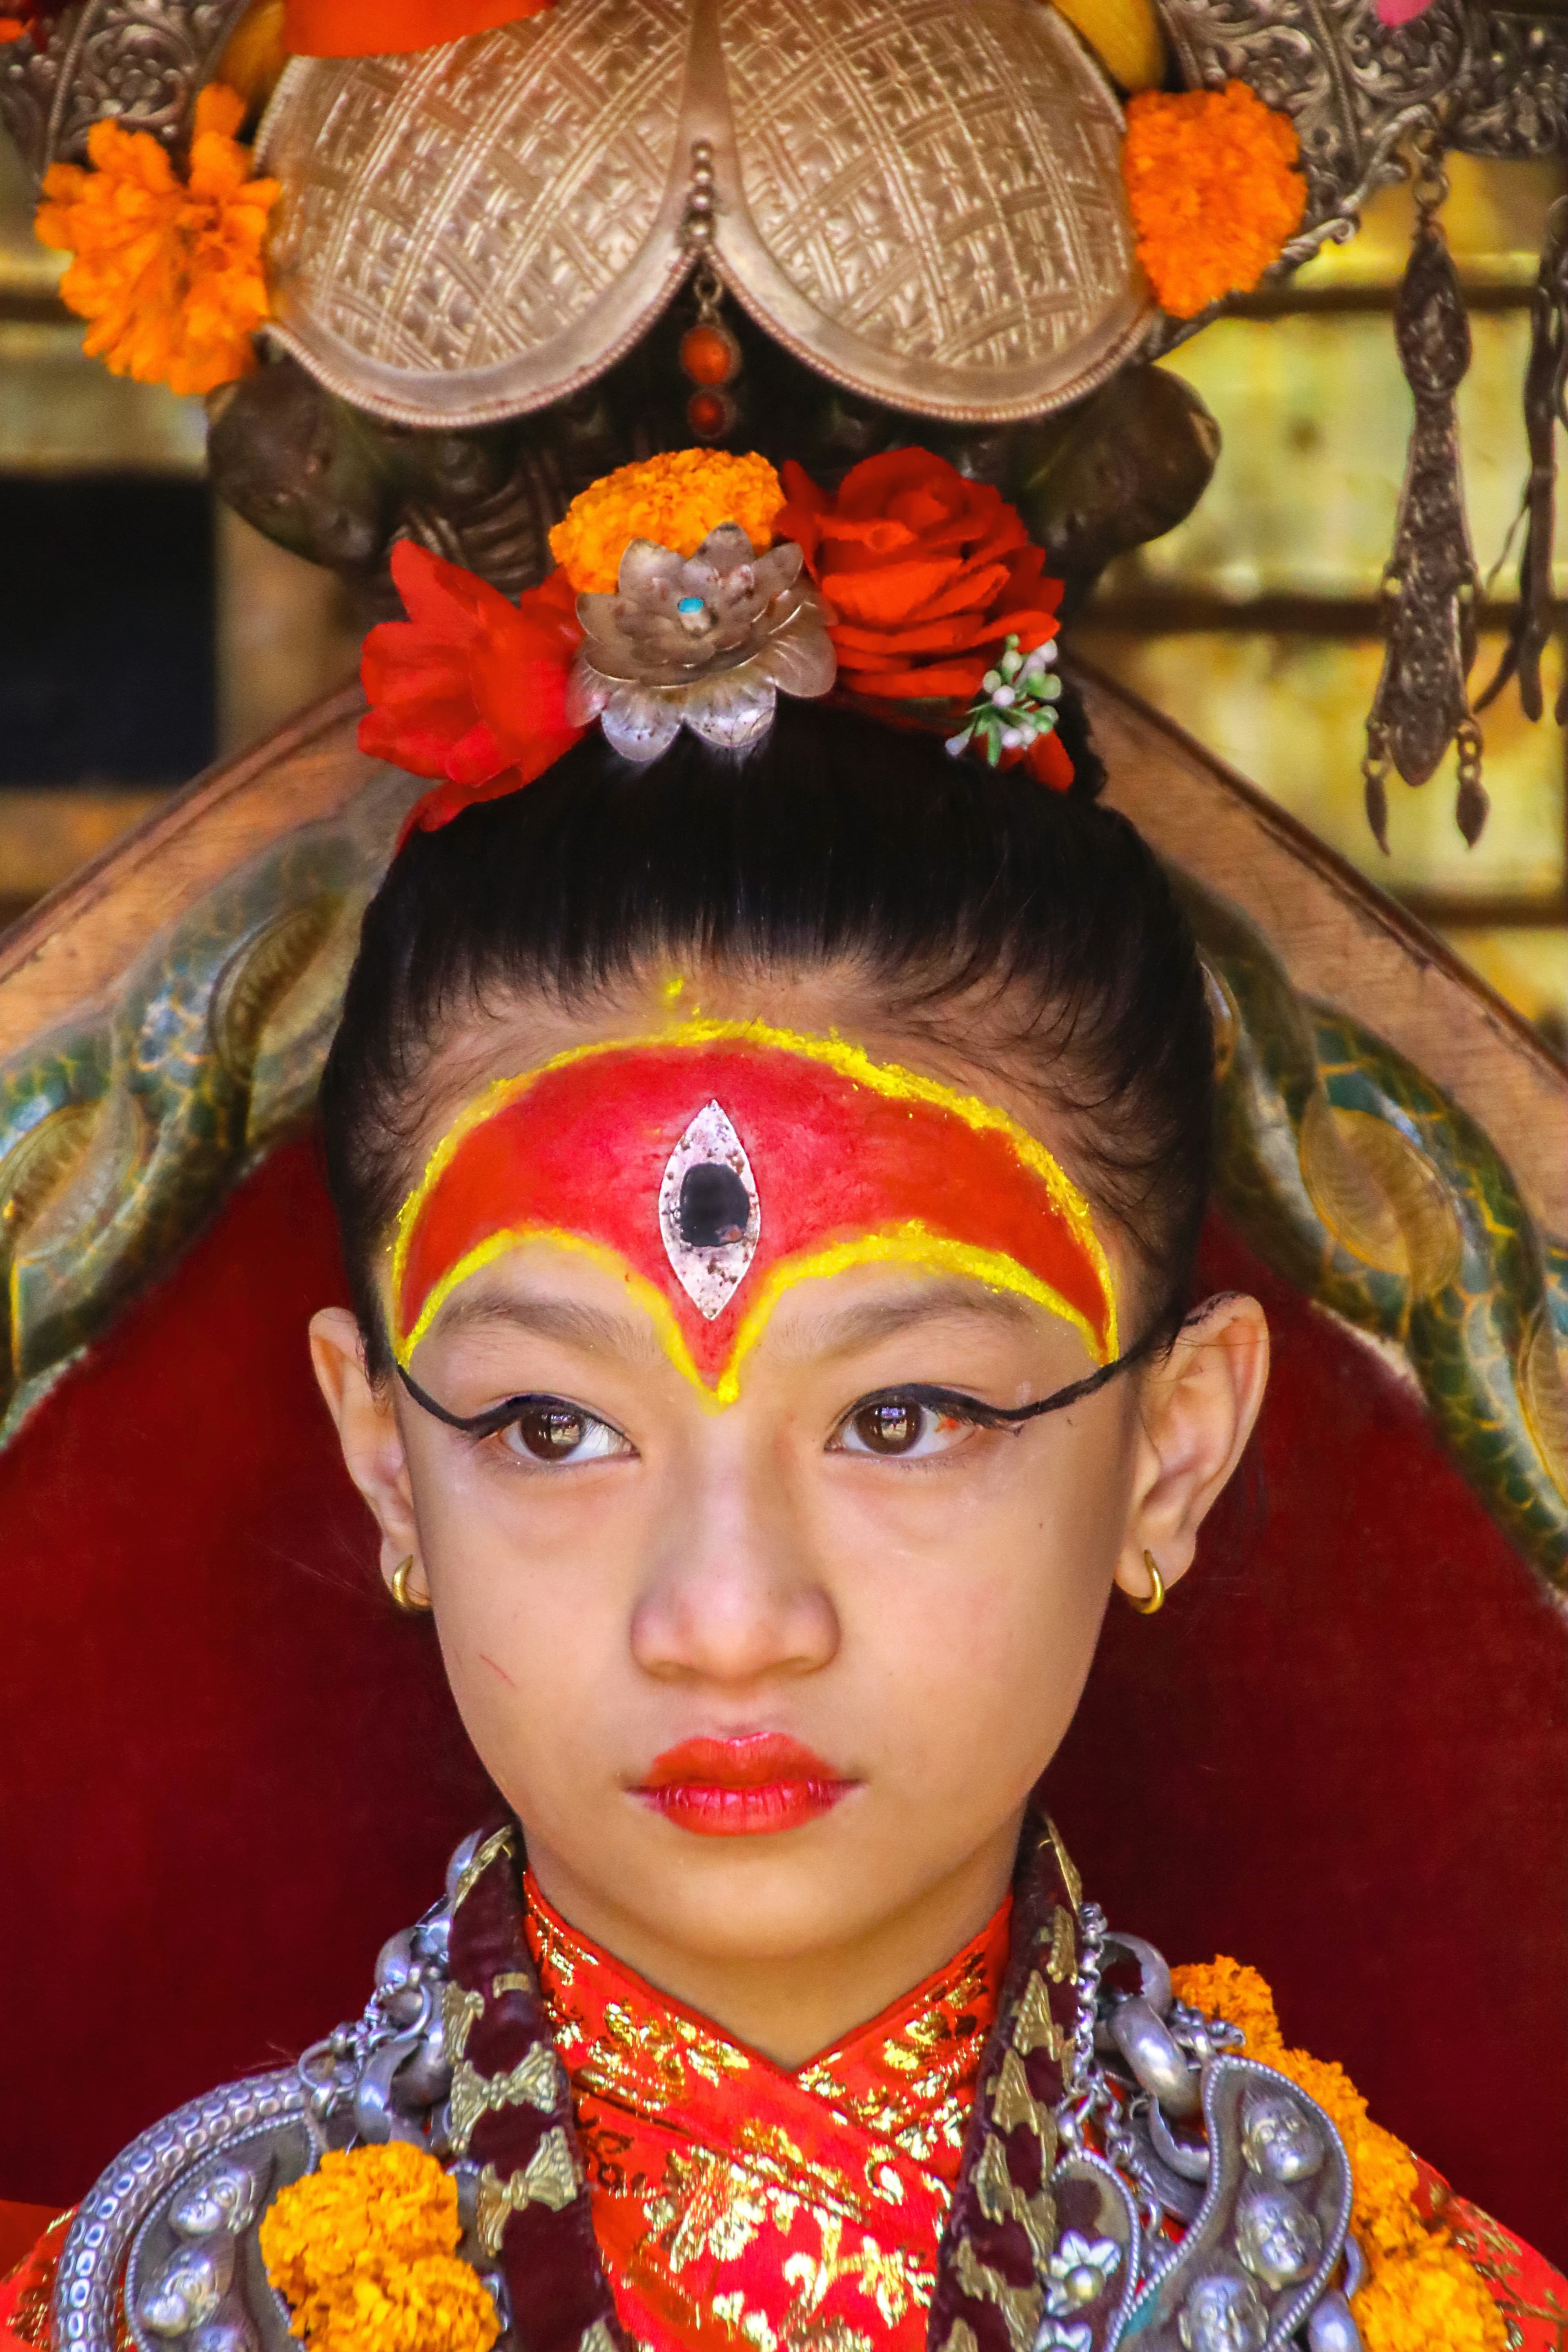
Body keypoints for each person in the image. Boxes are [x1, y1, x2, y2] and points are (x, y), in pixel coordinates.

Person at [2, 450, 1561, 2352]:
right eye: (550, 1428)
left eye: (901, 1417)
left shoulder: (1415, 2315)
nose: (728, 1622)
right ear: (382, 1460)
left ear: (1176, 1451)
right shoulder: (133, 2311)